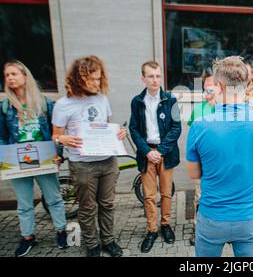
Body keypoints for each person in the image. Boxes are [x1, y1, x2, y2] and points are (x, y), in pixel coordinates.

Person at [186, 56, 253, 257]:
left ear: (218, 86)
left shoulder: (200, 125)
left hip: (212, 216)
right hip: (249, 216)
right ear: (246, 86)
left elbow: (194, 174)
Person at [52, 56, 126, 257]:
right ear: (77, 78)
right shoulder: (63, 104)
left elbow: (107, 126)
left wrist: (118, 133)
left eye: (98, 78)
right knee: (87, 207)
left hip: (108, 162)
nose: (96, 83)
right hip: (82, 165)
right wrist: (62, 140)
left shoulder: (102, 99)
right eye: (91, 79)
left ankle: (108, 241)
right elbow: (55, 135)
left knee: (108, 204)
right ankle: (92, 245)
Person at [0, 60, 67, 257]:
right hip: (17, 161)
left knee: (54, 198)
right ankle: (28, 237)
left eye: (14, 74)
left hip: (45, 159)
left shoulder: (45, 104)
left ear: (25, 76)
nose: (10, 78)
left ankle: (61, 231)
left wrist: (58, 154)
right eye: (7, 75)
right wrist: (5, 157)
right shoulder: (5, 107)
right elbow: (2, 136)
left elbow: (57, 133)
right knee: (24, 203)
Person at [129, 61, 182, 253]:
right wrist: (147, 151)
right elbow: (133, 129)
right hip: (146, 155)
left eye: (158, 76)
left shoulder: (171, 100)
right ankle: (151, 230)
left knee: (166, 193)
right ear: (143, 78)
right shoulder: (137, 101)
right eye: (150, 76)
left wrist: (160, 151)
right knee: (150, 196)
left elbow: (177, 128)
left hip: (165, 154)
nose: (155, 80)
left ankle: (165, 225)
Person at [186, 67, 219, 246]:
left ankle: (216, 228)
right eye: (205, 86)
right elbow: (193, 136)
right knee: (200, 196)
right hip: (201, 162)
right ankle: (197, 228)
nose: (208, 89)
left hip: (219, 164)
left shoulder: (224, 109)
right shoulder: (198, 110)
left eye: (211, 86)